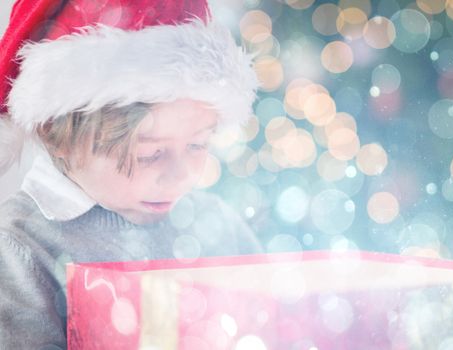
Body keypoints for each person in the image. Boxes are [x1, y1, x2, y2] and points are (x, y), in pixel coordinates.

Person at [0, 0, 262, 348]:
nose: (180, 176)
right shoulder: (23, 250)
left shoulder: (216, 224)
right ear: (56, 133)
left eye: (198, 145)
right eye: (149, 153)